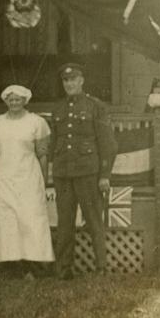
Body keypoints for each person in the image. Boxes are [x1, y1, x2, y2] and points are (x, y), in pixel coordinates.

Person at [50, 61, 117, 279]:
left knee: (94, 220)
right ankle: (64, 269)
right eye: (65, 80)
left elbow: (107, 144)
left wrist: (105, 175)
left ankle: (101, 267)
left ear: (82, 81)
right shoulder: (58, 108)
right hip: (63, 174)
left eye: (73, 79)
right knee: (65, 222)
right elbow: (55, 142)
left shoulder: (95, 107)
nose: (69, 83)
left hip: (88, 173)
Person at [0, 85, 54, 274]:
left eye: (18, 100)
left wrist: (44, 179)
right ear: (6, 101)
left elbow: (43, 154)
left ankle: (36, 263)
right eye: (10, 100)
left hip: (28, 175)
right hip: (4, 176)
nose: (14, 103)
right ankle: (10, 264)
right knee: (6, 219)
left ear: (25, 101)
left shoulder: (36, 122)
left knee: (31, 217)